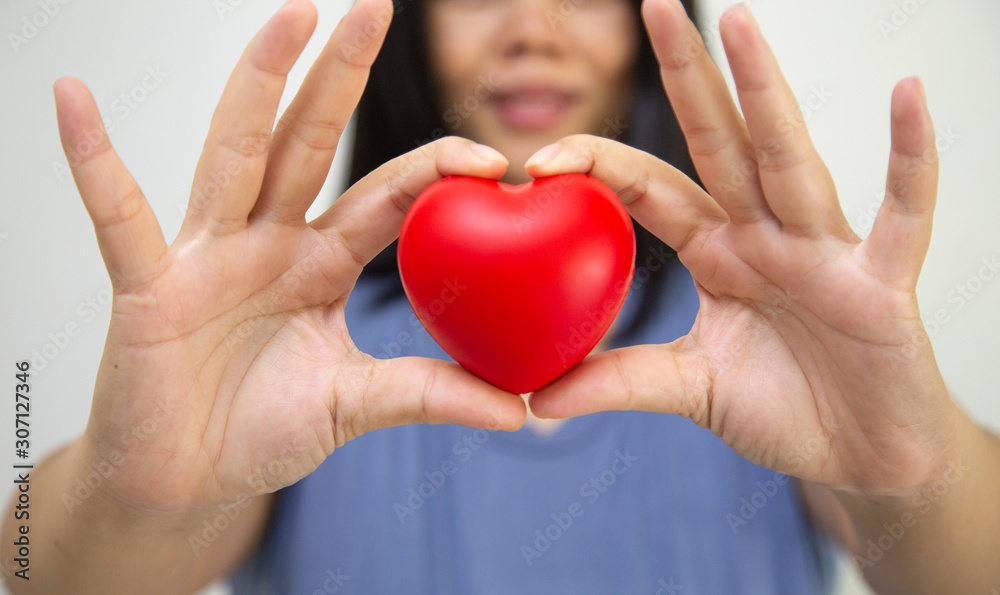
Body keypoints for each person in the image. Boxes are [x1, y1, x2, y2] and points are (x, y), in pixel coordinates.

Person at [3, 0, 999, 593]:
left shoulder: (778, 347)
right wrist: (121, 490)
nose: (530, 30)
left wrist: (917, 471)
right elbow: (26, 566)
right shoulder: (292, 357)